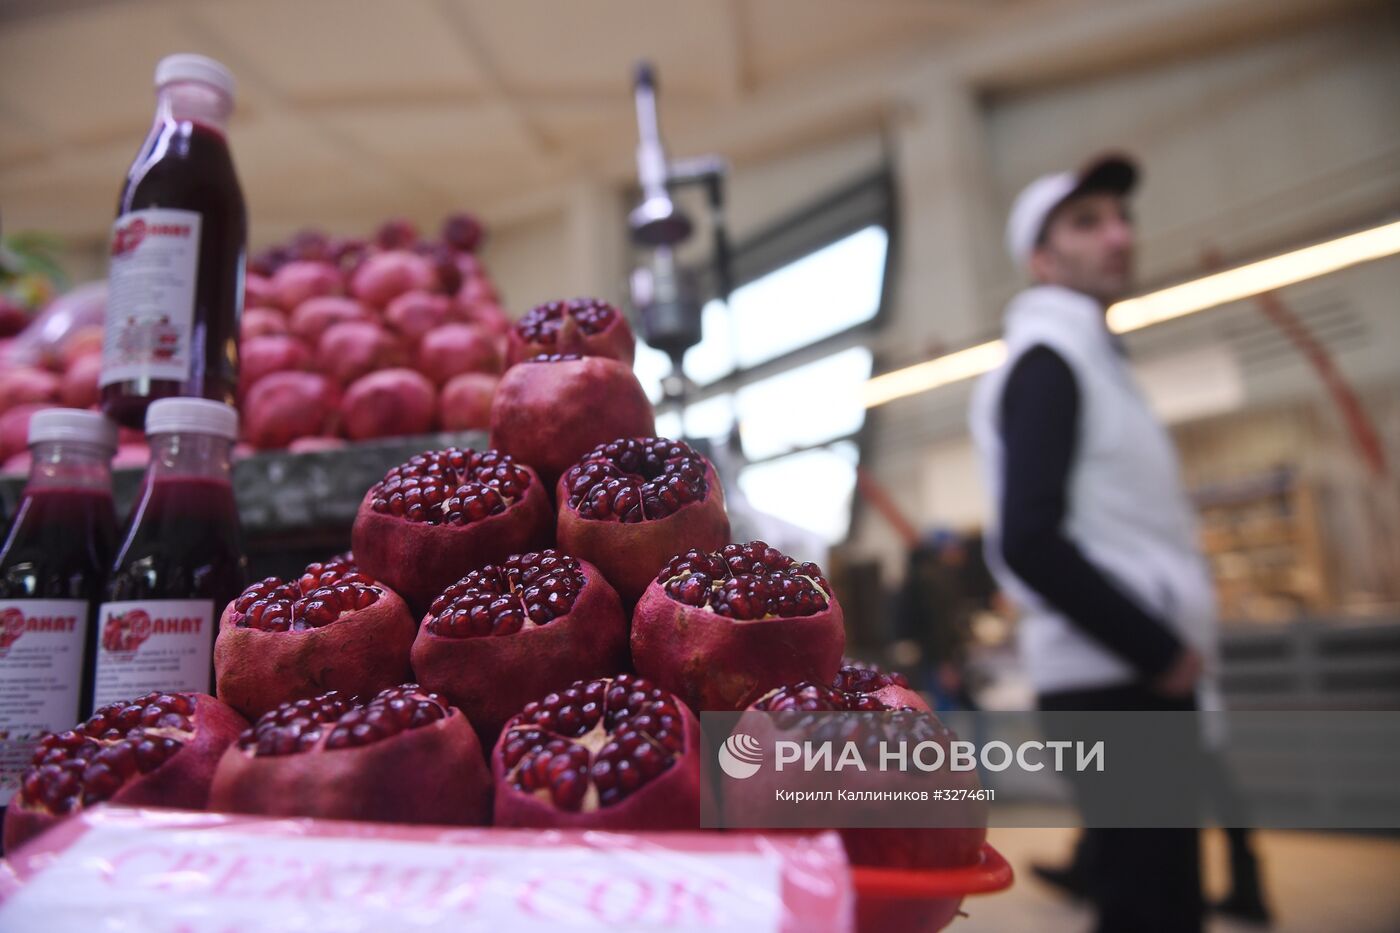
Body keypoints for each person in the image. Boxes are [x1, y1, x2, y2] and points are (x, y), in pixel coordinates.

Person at [968, 154, 1218, 933]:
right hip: (1117, 678)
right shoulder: (1050, 364)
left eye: (1122, 217)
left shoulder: (1089, 359)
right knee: (1154, 905)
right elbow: (1031, 540)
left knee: (1150, 896)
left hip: (1128, 676)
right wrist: (1158, 650)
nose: (1119, 235)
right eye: (1087, 222)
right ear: (1042, 260)